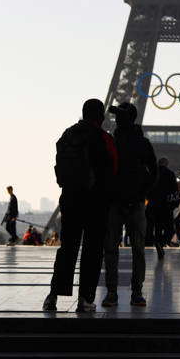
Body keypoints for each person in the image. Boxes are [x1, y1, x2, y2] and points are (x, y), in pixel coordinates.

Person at [42, 98, 116, 313]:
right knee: (92, 251)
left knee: (67, 249)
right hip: (95, 203)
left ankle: (53, 296)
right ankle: (85, 299)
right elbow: (112, 171)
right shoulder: (104, 139)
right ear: (101, 117)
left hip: (71, 199)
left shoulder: (67, 135)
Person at [102, 102, 157, 308]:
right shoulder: (140, 143)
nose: (116, 119)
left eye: (120, 116)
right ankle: (134, 292)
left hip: (121, 203)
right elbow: (154, 172)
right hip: (128, 202)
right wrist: (143, 193)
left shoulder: (115, 142)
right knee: (137, 250)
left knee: (112, 250)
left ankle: (114, 292)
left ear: (129, 118)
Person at [147, 158, 177, 260]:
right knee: (170, 229)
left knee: (158, 228)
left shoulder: (152, 173)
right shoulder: (170, 174)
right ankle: (162, 243)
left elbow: (147, 189)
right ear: (166, 164)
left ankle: (158, 243)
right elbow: (174, 191)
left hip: (154, 206)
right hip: (166, 206)